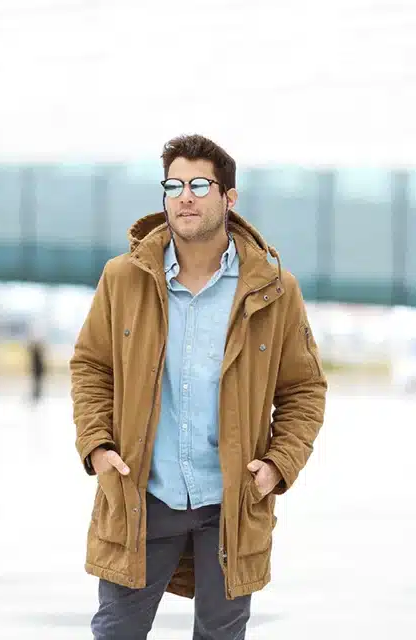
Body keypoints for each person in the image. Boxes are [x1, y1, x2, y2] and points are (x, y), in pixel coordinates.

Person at [70, 134, 328, 639]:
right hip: (141, 493)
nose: (184, 195)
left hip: (232, 501)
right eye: (173, 184)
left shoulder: (274, 289)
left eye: (199, 184)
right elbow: (90, 367)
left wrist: (278, 466)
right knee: (115, 633)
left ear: (228, 197)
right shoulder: (123, 279)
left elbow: (304, 390)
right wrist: (97, 446)